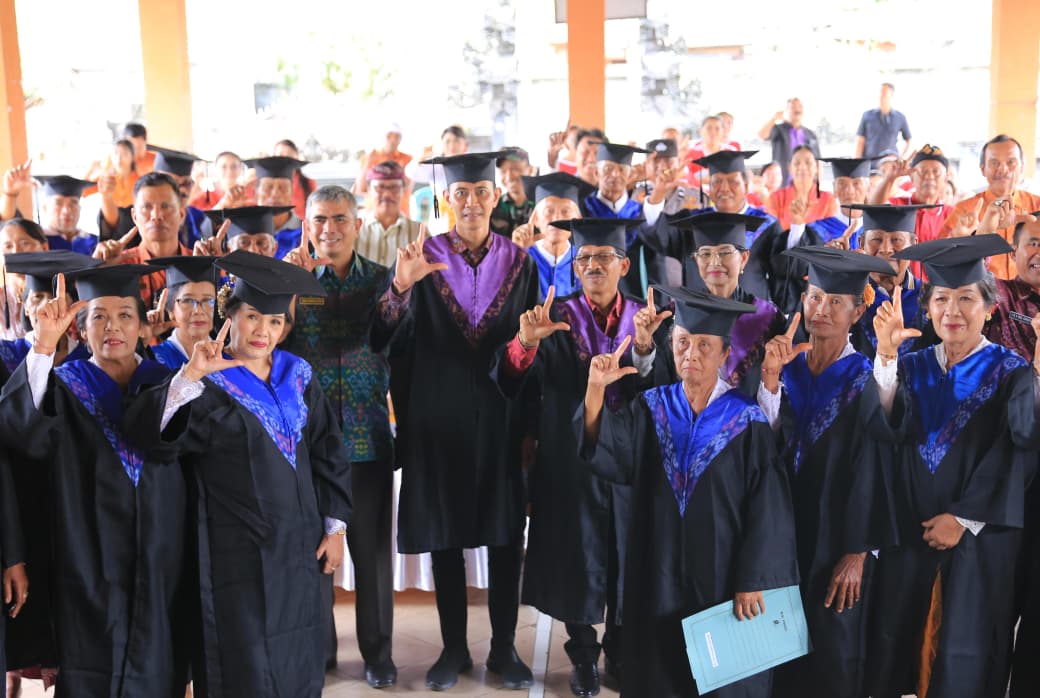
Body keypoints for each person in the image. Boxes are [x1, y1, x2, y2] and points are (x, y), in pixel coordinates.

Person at [576, 286, 798, 697]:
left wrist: (753, 577)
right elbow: (605, 452)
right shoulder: (651, 409)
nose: (690, 353)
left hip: (723, 580)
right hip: (656, 574)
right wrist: (594, 391)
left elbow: (768, 506)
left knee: (722, 680)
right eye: (682, 343)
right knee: (658, 676)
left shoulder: (746, 420)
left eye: (703, 345)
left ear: (724, 354)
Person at [373, 152, 539, 691]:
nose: (471, 202)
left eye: (480, 192)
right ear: (445, 200)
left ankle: (504, 649)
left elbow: (531, 348)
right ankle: (453, 649)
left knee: (505, 536)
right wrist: (399, 289)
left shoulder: (520, 263)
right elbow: (382, 338)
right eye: (460, 193)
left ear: (496, 197)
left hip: (500, 417)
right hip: (436, 416)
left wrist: (530, 429)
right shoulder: (420, 258)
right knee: (445, 535)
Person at [0, 265, 202, 696]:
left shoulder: (172, 386)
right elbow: (20, 432)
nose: (113, 327)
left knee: (160, 663)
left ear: (143, 326)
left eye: (125, 315)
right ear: (81, 328)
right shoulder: (65, 386)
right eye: (99, 316)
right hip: (86, 560)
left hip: (163, 555)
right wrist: (45, 343)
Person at [170, 250, 353, 698]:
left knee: (300, 654)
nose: (263, 331)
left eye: (275, 322)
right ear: (230, 314)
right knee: (245, 661)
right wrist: (189, 378)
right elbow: (164, 439)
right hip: (237, 554)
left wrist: (335, 526)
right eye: (253, 317)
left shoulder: (298, 374)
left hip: (301, 545)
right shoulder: (207, 381)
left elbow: (328, 449)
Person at [868, 233, 1039, 698]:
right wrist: (885, 356)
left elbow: (1019, 451)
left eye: (966, 298)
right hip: (911, 535)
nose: (952, 310)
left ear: (990, 308)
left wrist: (964, 519)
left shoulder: (1012, 373)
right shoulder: (912, 365)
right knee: (900, 651)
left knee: (964, 657)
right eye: (941, 298)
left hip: (978, 545)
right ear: (927, 308)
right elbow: (883, 432)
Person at [493, 218, 658, 696]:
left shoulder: (648, 317)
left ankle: (620, 650)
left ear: (623, 265)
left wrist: (644, 347)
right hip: (569, 459)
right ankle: (583, 655)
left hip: (630, 457)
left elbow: (661, 384)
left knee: (628, 552)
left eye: (604, 258)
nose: (593, 266)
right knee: (576, 553)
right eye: (584, 258)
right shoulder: (555, 317)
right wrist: (526, 342)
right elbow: (511, 383)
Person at [756, 247, 894, 698]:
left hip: (837, 541)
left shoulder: (865, 379)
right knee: (776, 652)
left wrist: (858, 552)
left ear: (858, 312)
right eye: (815, 297)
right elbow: (760, 450)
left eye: (836, 301)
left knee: (831, 654)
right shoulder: (785, 366)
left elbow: (876, 470)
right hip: (779, 535)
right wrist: (769, 382)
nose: (822, 309)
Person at [282, 185, 397, 689]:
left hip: (368, 438)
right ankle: (320, 650)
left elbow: (396, 335)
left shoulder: (384, 281)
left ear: (357, 224)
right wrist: (286, 291)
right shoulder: (293, 281)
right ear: (307, 226)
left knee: (372, 556)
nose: (329, 229)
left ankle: (378, 654)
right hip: (310, 443)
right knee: (315, 555)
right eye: (319, 220)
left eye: (339, 219)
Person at [0, 251, 100, 697]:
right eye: (39, 299)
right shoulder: (9, 357)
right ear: (24, 306)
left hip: (81, 507)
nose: (49, 308)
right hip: (25, 504)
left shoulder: (94, 361)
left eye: (59, 300)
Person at [646, 212, 786, 394]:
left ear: (743, 258)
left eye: (725, 252)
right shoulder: (674, 314)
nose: (714, 261)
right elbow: (659, 383)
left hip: (750, 412)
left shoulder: (769, 318)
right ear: (696, 260)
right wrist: (643, 344)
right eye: (705, 253)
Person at [843, 204, 937, 359]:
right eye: (876, 239)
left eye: (897, 240)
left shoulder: (933, 297)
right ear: (861, 244)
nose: (886, 249)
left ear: (913, 244)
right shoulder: (846, 294)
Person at [941, 135, 1040, 279]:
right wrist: (956, 239)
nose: (1003, 169)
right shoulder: (965, 210)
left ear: (1022, 167)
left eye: (1011, 162)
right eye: (994, 163)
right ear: (983, 169)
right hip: (983, 290)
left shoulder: (1037, 205)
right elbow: (939, 260)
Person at [580, 141, 667, 299]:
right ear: (596, 173)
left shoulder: (641, 213)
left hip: (636, 299)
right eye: (608, 169)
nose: (615, 175)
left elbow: (656, 263)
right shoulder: (583, 210)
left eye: (622, 169)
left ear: (630, 175)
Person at [92, 172, 194, 307]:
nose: (156, 215)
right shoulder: (119, 266)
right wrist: (97, 272)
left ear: (181, 214)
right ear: (134, 216)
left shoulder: (198, 264)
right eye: (147, 207)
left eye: (165, 206)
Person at [0, 250, 98, 374]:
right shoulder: (6, 354)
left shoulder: (87, 358)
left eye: (56, 299)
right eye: (37, 297)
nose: (46, 306)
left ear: (71, 306)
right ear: (26, 307)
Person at [99, 149, 214, 248]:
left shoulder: (199, 217)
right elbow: (115, 222)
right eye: (172, 183)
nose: (182, 190)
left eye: (186, 183)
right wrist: (106, 197)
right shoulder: (144, 214)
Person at [869, 145, 953, 278]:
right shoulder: (898, 206)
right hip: (901, 285)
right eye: (923, 171)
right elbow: (873, 209)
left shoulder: (953, 215)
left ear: (946, 178)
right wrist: (890, 178)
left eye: (936, 172)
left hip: (939, 286)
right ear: (912, 177)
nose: (929, 176)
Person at [510, 172, 592, 298]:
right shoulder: (520, 255)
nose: (557, 219)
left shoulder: (587, 261)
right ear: (535, 218)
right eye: (549, 211)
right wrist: (517, 256)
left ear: (578, 220)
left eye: (565, 212)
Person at [145, 256, 219, 369]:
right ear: (171, 310)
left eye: (208, 300)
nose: (198, 311)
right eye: (187, 301)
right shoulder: (153, 358)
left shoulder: (227, 359)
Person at [985, 217, 1040, 360]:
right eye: (1034, 244)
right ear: (1014, 253)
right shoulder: (999, 293)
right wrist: (982, 235)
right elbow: (969, 279)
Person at [356, 160, 422, 267]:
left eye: (394, 187)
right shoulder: (353, 230)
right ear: (369, 189)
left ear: (403, 190)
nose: (387, 194)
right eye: (380, 187)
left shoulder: (419, 233)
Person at [245, 156, 307, 259]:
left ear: (292, 192)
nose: (275, 194)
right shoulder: (241, 233)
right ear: (256, 192)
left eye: (282, 188)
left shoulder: (307, 233)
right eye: (268, 187)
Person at [766, 145, 838, 230]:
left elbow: (830, 233)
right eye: (797, 163)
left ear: (817, 167)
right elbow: (770, 232)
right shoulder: (776, 198)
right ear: (790, 168)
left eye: (808, 163)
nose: (802, 167)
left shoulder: (828, 200)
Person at [0, 218, 49, 341]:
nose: (16, 252)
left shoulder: (60, 294)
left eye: (24, 243)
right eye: (8, 246)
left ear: (44, 248)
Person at [31, 175, 98, 256]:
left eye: (73, 203)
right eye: (58, 203)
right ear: (45, 208)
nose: (66, 211)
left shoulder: (95, 243)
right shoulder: (35, 242)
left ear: (80, 208)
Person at [757, 98, 821, 182]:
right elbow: (762, 135)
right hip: (783, 180)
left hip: (806, 182)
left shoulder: (810, 134)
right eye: (793, 107)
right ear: (786, 111)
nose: (797, 109)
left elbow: (817, 161)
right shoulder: (779, 129)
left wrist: (819, 183)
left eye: (800, 106)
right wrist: (774, 118)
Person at [199, 205, 295, 261]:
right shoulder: (219, 285)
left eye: (262, 243)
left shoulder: (287, 286)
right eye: (243, 243)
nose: (253, 250)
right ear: (229, 248)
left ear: (274, 248)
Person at [813, 157, 874, 243]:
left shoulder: (876, 228)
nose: (850, 191)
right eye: (842, 184)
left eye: (856, 183)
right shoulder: (819, 229)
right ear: (834, 188)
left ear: (868, 188)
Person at [633, 138, 700, 214]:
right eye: (656, 161)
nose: (662, 167)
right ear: (646, 165)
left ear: (678, 162)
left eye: (668, 160)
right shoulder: (636, 192)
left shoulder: (695, 194)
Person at [854, 83, 912, 161]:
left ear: (891, 94)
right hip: (870, 162)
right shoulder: (867, 115)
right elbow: (860, 140)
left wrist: (901, 158)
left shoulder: (900, 117)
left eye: (884, 92)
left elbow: (909, 140)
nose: (881, 95)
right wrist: (857, 162)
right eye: (880, 92)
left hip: (890, 163)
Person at [489, 147, 535, 238]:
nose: (509, 176)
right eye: (503, 171)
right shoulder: (493, 207)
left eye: (515, 169)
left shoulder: (542, 207)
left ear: (530, 170)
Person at [684, 115, 736, 189]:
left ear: (722, 131)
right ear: (701, 131)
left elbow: (735, 178)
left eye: (717, 128)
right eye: (709, 128)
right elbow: (687, 179)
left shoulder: (731, 152)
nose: (713, 132)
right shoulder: (692, 153)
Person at [85, 139, 139, 208]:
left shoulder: (139, 180)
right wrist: (90, 170)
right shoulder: (106, 178)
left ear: (133, 157)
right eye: (116, 153)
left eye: (124, 154)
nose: (119, 158)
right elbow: (83, 192)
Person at [273, 139, 317, 219]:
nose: (284, 159)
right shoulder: (267, 185)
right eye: (280, 155)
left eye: (289, 155)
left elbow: (315, 212)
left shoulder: (308, 183)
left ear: (296, 157)